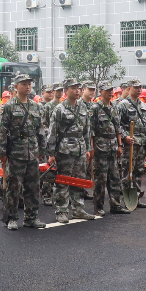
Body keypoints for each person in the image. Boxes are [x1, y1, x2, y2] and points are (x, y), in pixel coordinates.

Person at [0, 74, 46, 230]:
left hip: (32, 152)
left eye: (29, 84)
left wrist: (42, 149)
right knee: (14, 187)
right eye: (23, 84)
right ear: (16, 87)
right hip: (16, 152)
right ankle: (11, 218)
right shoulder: (8, 107)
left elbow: (40, 130)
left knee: (33, 186)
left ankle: (32, 217)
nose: (27, 86)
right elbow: (1, 132)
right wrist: (1, 152)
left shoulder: (36, 106)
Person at [47, 79, 95, 223]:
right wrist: (51, 153)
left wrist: (88, 148)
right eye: (73, 88)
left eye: (78, 88)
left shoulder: (83, 108)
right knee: (62, 181)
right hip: (65, 150)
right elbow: (52, 133)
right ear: (66, 91)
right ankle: (61, 211)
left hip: (80, 149)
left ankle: (78, 210)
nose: (77, 91)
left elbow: (87, 130)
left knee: (78, 181)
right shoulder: (60, 109)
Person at [89, 82, 130, 216]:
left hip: (113, 146)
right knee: (100, 179)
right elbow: (92, 130)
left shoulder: (114, 107)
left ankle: (115, 205)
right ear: (100, 91)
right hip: (100, 147)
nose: (110, 92)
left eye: (111, 90)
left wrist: (119, 145)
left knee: (114, 178)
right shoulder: (95, 108)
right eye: (107, 90)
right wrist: (92, 147)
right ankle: (99, 207)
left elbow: (118, 128)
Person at [116, 79, 146, 208]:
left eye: (140, 87)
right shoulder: (123, 105)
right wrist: (124, 137)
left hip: (141, 142)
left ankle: (136, 198)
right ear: (129, 88)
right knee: (126, 170)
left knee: (138, 171)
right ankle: (125, 197)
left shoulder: (143, 105)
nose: (139, 89)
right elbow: (117, 125)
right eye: (136, 87)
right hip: (129, 143)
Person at [40, 82, 64, 206]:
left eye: (61, 90)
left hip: (63, 142)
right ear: (53, 92)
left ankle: (61, 195)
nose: (60, 93)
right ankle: (46, 194)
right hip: (51, 140)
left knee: (63, 170)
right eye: (57, 90)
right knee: (50, 169)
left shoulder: (65, 105)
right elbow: (43, 126)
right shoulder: (48, 107)